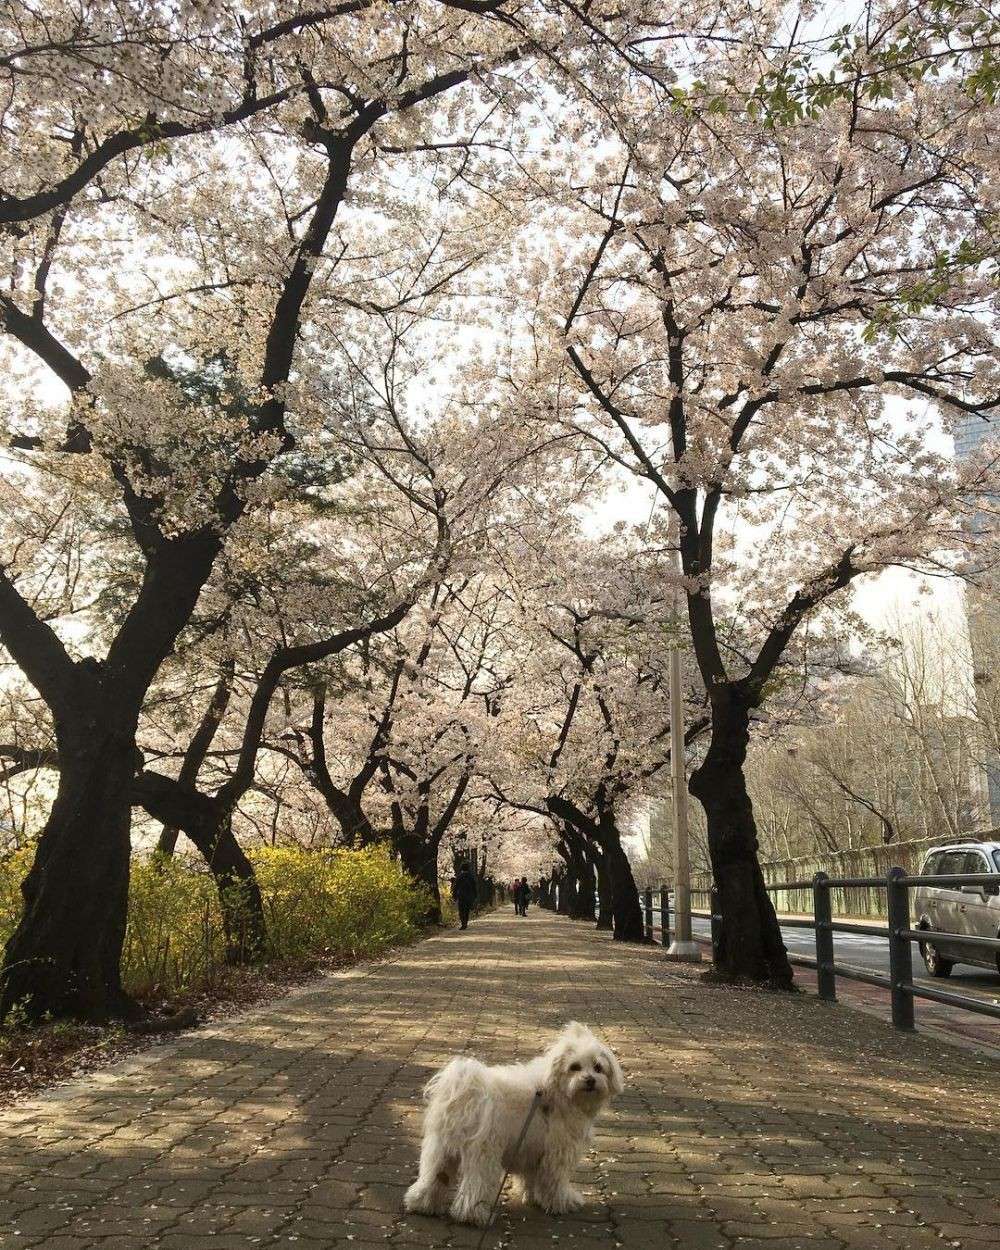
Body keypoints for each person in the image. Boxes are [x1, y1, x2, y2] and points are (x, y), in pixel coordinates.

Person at [452, 863, 478, 930]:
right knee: (467, 910)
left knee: (461, 910)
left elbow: (455, 887)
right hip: (469, 896)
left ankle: (463, 923)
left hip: (461, 895)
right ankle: (465, 922)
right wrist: (475, 895)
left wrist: (454, 896)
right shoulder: (471, 876)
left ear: (461, 869)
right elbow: (474, 886)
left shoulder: (459, 876)